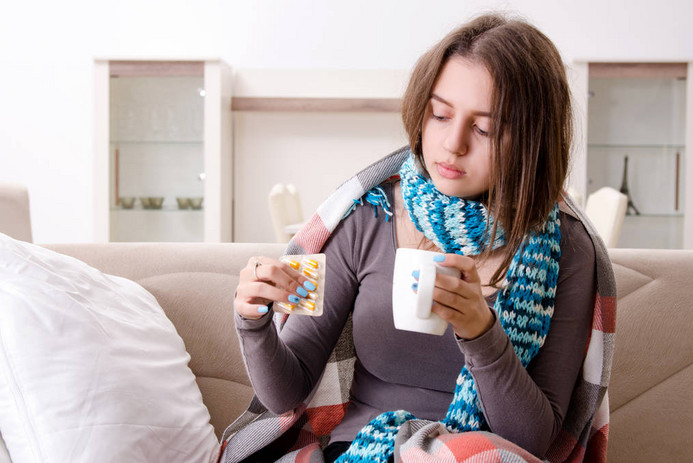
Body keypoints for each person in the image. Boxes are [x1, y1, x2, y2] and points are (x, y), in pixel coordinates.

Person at [232, 13, 600, 463]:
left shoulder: (566, 249)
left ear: (530, 142)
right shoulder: (369, 216)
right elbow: (287, 393)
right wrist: (253, 320)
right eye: (440, 114)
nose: (452, 143)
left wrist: (481, 332)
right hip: (360, 451)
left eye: (484, 128)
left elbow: (532, 441)